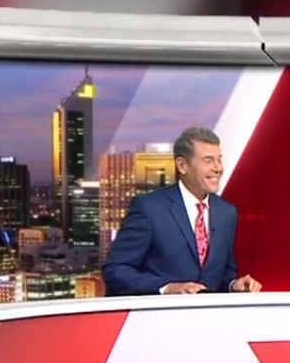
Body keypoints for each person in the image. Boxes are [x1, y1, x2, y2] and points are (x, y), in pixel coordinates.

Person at [102, 126, 263, 296]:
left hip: (209, 313)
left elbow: (223, 274)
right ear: (182, 165)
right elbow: (115, 270)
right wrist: (167, 288)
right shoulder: (149, 208)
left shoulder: (227, 213)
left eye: (219, 159)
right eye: (208, 160)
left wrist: (233, 285)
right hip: (160, 311)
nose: (218, 168)